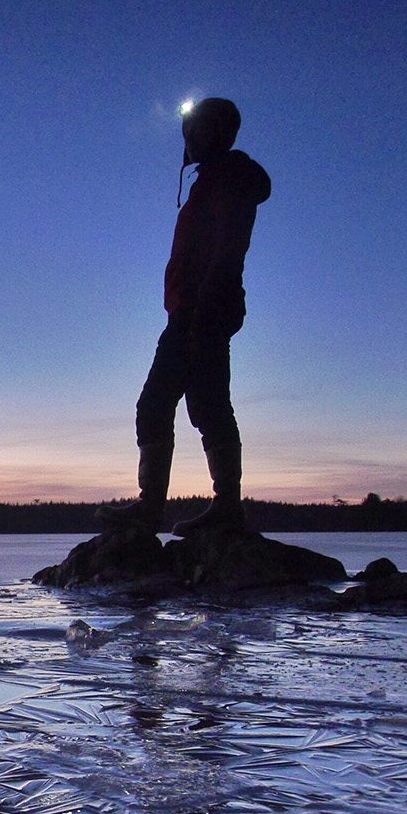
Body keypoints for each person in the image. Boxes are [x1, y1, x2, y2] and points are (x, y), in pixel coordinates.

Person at [98, 97, 270, 537]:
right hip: (190, 309)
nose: (187, 141)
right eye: (185, 133)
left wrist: (207, 304)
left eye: (195, 131)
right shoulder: (209, 181)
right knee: (189, 403)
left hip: (204, 308)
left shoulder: (228, 179)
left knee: (182, 403)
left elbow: (228, 247)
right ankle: (172, 507)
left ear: (217, 134)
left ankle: (192, 508)